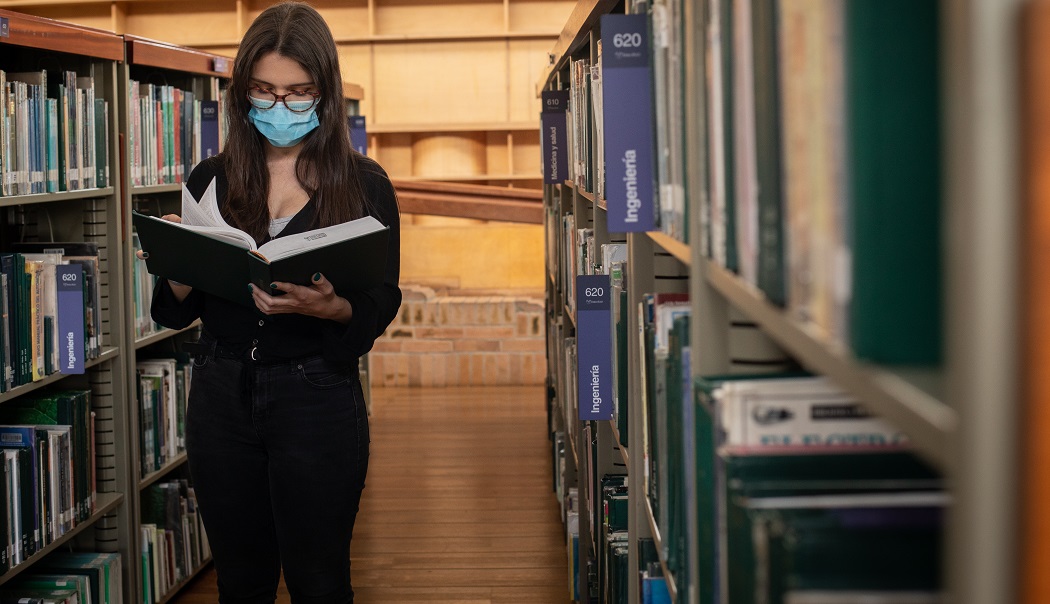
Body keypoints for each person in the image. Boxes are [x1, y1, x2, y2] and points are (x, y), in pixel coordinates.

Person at [147, 2, 401, 602]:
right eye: (264, 91)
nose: (279, 107)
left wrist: (332, 309)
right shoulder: (209, 178)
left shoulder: (364, 184)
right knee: (241, 579)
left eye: (298, 92)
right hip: (220, 393)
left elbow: (381, 301)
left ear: (325, 93)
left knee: (319, 579)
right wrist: (179, 264)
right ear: (242, 94)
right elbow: (170, 311)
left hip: (316, 395)